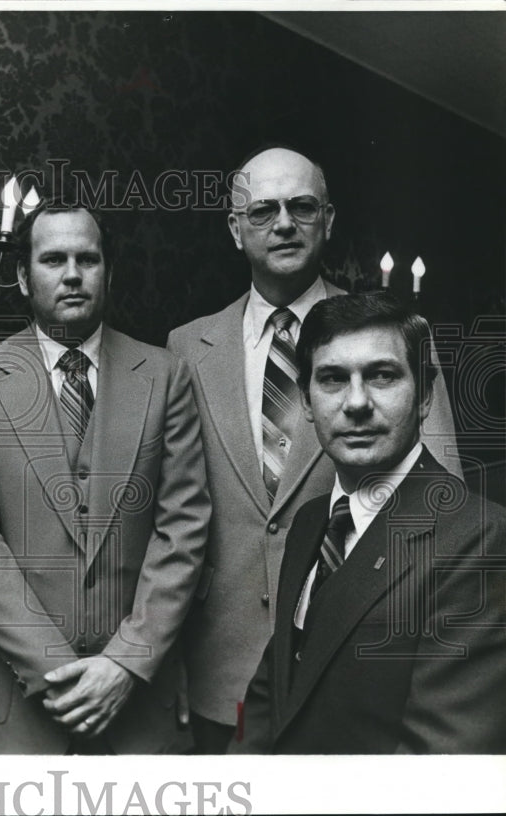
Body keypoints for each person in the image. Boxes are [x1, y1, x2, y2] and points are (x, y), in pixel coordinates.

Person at [166, 146, 461, 752]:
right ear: (234, 228)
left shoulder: (392, 337)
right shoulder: (187, 348)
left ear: (329, 221)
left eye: (302, 207)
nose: (282, 224)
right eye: (262, 211)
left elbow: (442, 504)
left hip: (352, 664)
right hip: (217, 665)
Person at [0, 201, 211, 754]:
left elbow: (183, 529)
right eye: (53, 259)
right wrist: (62, 673)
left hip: (137, 707)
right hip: (10, 712)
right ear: (22, 275)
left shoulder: (164, 375)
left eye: (87, 259)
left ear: (108, 272)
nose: (71, 274)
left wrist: (124, 664)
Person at [232, 292, 505, 753]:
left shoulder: (479, 539)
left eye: (382, 376)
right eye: (333, 379)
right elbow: (272, 694)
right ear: (305, 400)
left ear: (425, 396)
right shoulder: (311, 523)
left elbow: (439, 768)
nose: (356, 403)